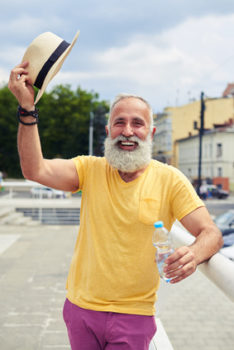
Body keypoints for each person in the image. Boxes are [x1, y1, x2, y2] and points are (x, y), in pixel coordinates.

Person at [8, 62, 223, 350]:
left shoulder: (169, 179)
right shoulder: (89, 169)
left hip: (133, 316)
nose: (128, 131)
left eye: (137, 123)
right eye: (120, 122)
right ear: (109, 130)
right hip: (80, 309)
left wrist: (194, 255)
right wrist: (27, 109)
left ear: (151, 131)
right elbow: (36, 170)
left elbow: (211, 232)